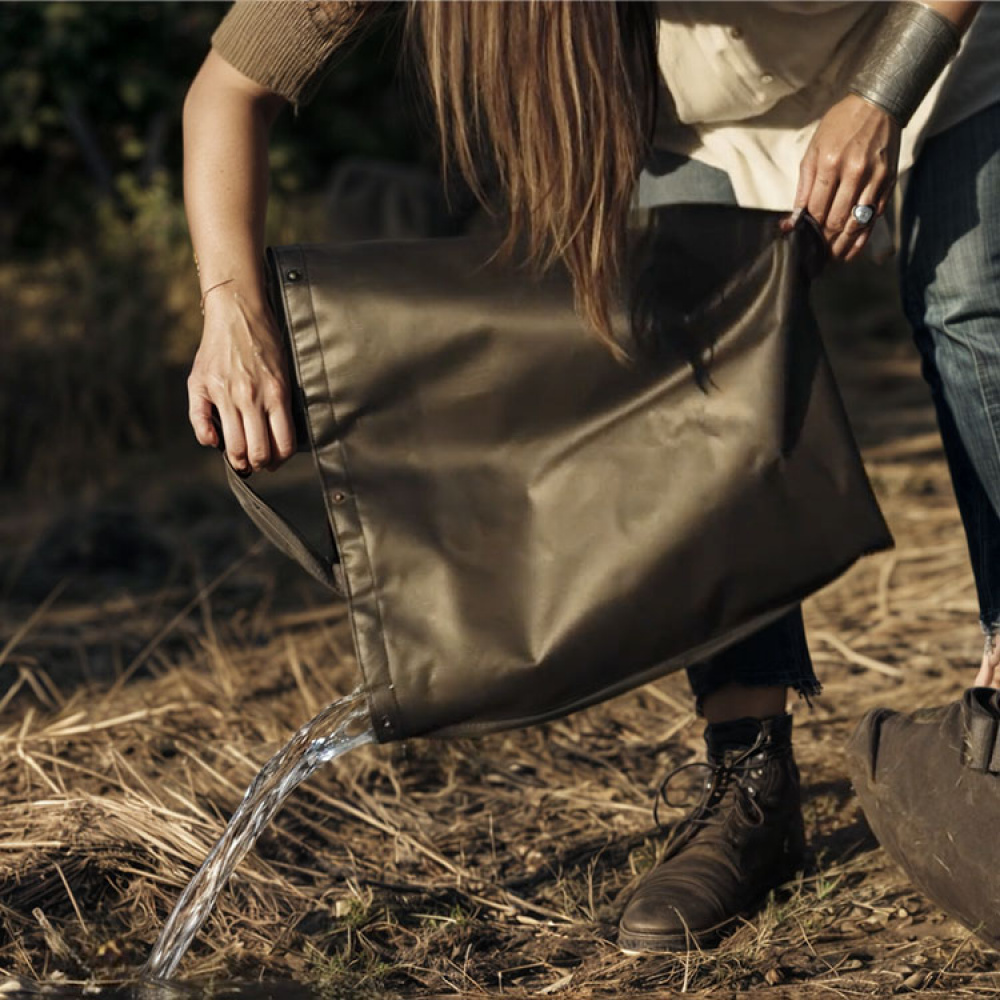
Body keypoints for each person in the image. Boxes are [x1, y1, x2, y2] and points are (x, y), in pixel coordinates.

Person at [182, 0, 1000, 955]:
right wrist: (231, 312)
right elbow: (227, 92)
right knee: (683, 347)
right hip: (703, 97)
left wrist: (883, 91)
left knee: (969, 300)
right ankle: (751, 780)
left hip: (938, 35)